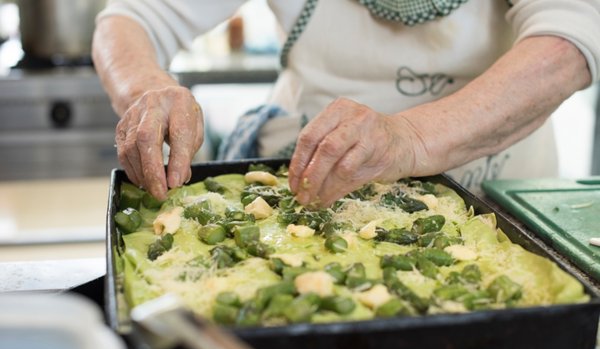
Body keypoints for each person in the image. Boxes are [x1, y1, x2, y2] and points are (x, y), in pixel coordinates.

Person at [92, 0, 600, 207]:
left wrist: (410, 138)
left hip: (493, 196)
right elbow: (133, 16)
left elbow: (570, 42)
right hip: (305, 191)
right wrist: (145, 90)